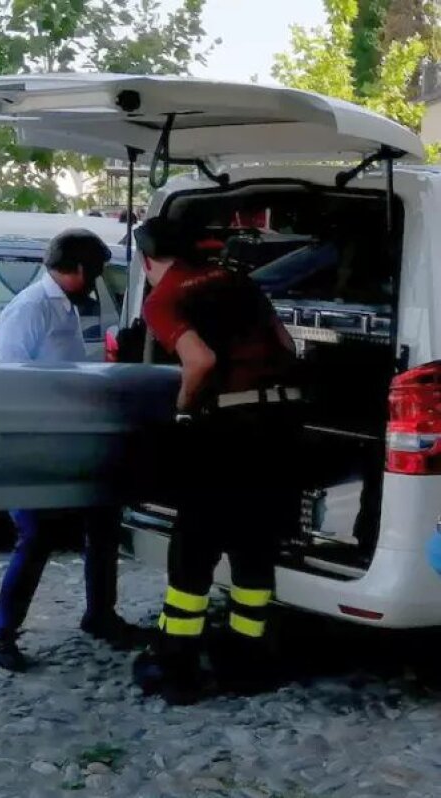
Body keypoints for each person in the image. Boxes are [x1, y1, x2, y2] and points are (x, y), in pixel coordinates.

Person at [129, 217, 302, 705]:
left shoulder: (165, 297)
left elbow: (199, 361)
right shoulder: (238, 282)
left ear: (147, 261)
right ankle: (250, 662)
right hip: (282, 425)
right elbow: (287, 346)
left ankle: (177, 668)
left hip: (230, 430)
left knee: (193, 547)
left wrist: (184, 409)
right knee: (254, 541)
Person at [0, 229, 147, 672]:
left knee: (103, 524)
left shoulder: (63, 307)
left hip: (71, 438)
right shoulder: (31, 309)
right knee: (36, 537)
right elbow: (6, 381)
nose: (94, 284)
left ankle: (100, 615)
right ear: (75, 269)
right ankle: (1, 632)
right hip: (36, 442)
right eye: (92, 274)